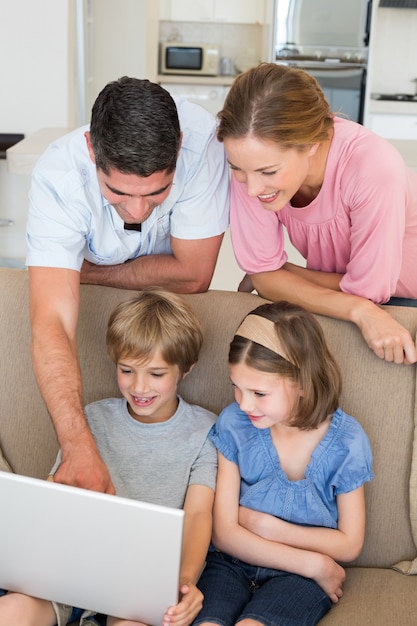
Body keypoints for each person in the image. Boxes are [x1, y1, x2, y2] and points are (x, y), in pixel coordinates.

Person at [26, 76, 229, 493]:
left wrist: (92, 273)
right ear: (90, 151)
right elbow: (52, 323)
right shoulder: (58, 175)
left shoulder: (203, 147)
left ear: (178, 148)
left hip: (140, 288)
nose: (137, 210)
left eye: (157, 192)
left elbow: (193, 274)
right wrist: (77, 444)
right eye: (117, 192)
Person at [0, 290, 217, 626]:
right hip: (70, 574)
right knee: (10, 612)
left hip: (137, 589)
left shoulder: (204, 431)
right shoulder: (92, 419)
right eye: (127, 370)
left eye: (156, 374)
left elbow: (199, 513)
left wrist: (185, 581)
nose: (139, 387)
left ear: (186, 369)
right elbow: (55, 495)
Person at [216, 62, 417, 365]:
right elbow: (264, 275)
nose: (253, 189)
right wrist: (268, 274)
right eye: (238, 169)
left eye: (268, 171)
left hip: (403, 299)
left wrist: (282, 273)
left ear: (311, 144)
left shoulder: (373, 168)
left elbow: (368, 291)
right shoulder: (251, 165)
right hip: (353, 299)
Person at [192, 300, 374, 626]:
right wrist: (314, 565)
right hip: (231, 564)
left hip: (297, 583)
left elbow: (349, 544)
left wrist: (267, 527)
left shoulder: (347, 441)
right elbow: (223, 534)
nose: (244, 403)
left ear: (303, 383)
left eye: (260, 393)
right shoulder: (234, 423)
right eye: (237, 387)